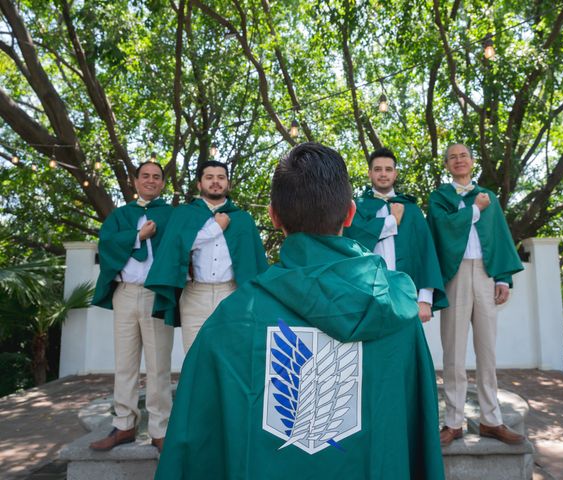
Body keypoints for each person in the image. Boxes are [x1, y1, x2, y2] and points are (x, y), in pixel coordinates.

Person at [155, 142, 445, 479]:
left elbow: (193, 452)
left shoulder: (228, 321)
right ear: (350, 214)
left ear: (274, 216)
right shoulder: (399, 318)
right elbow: (418, 443)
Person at [427, 143, 525, 447]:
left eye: (464, 155)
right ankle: (454, 423)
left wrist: (504, 278)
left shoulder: (489, 197)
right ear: (446, 165)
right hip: (455, 275)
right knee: (453, 353)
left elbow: (499, 236)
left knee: (487, 351)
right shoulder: (440, 197)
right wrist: (473, 209)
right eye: (453, 157)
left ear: (472, 162)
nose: (459, 160)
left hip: (484, 273)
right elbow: (442, 230)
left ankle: (491, 420)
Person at [89, 161, 174, 453]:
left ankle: (160, 429)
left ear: (163, 184)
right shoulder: (120, 215)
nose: (151, 181)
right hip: (124, 294)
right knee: (124, 365)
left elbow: (182, 247)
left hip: (154, 294)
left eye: (156, 177)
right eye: (145, 176)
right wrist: (138, 236)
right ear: (135, 181)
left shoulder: (171, 215)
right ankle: (124, 425)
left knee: (158, 366)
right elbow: (106, 245)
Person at [144, 160, 268, 353]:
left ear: (228, 183)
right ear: (199, 184)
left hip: (230, 293)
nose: (215, 182)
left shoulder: (243, 219)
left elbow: (254, 262)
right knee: (195, 357)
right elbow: (177, 247)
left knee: (230, 357)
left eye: (221, 177)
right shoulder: (184, 214)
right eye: (209, 177)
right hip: (195, 295)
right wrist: (216, 228)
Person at [344, 147, 447, 322]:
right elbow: (355, 237)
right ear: (369, 173)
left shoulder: (412, 209)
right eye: (378, 169)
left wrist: (425, 299)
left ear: (395, 174)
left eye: (388, 169)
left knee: (405, 345)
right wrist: (392, 221)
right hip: (368, 289)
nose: (383, 174)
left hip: (405, 291)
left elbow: (425, 252)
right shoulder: (358, 207)